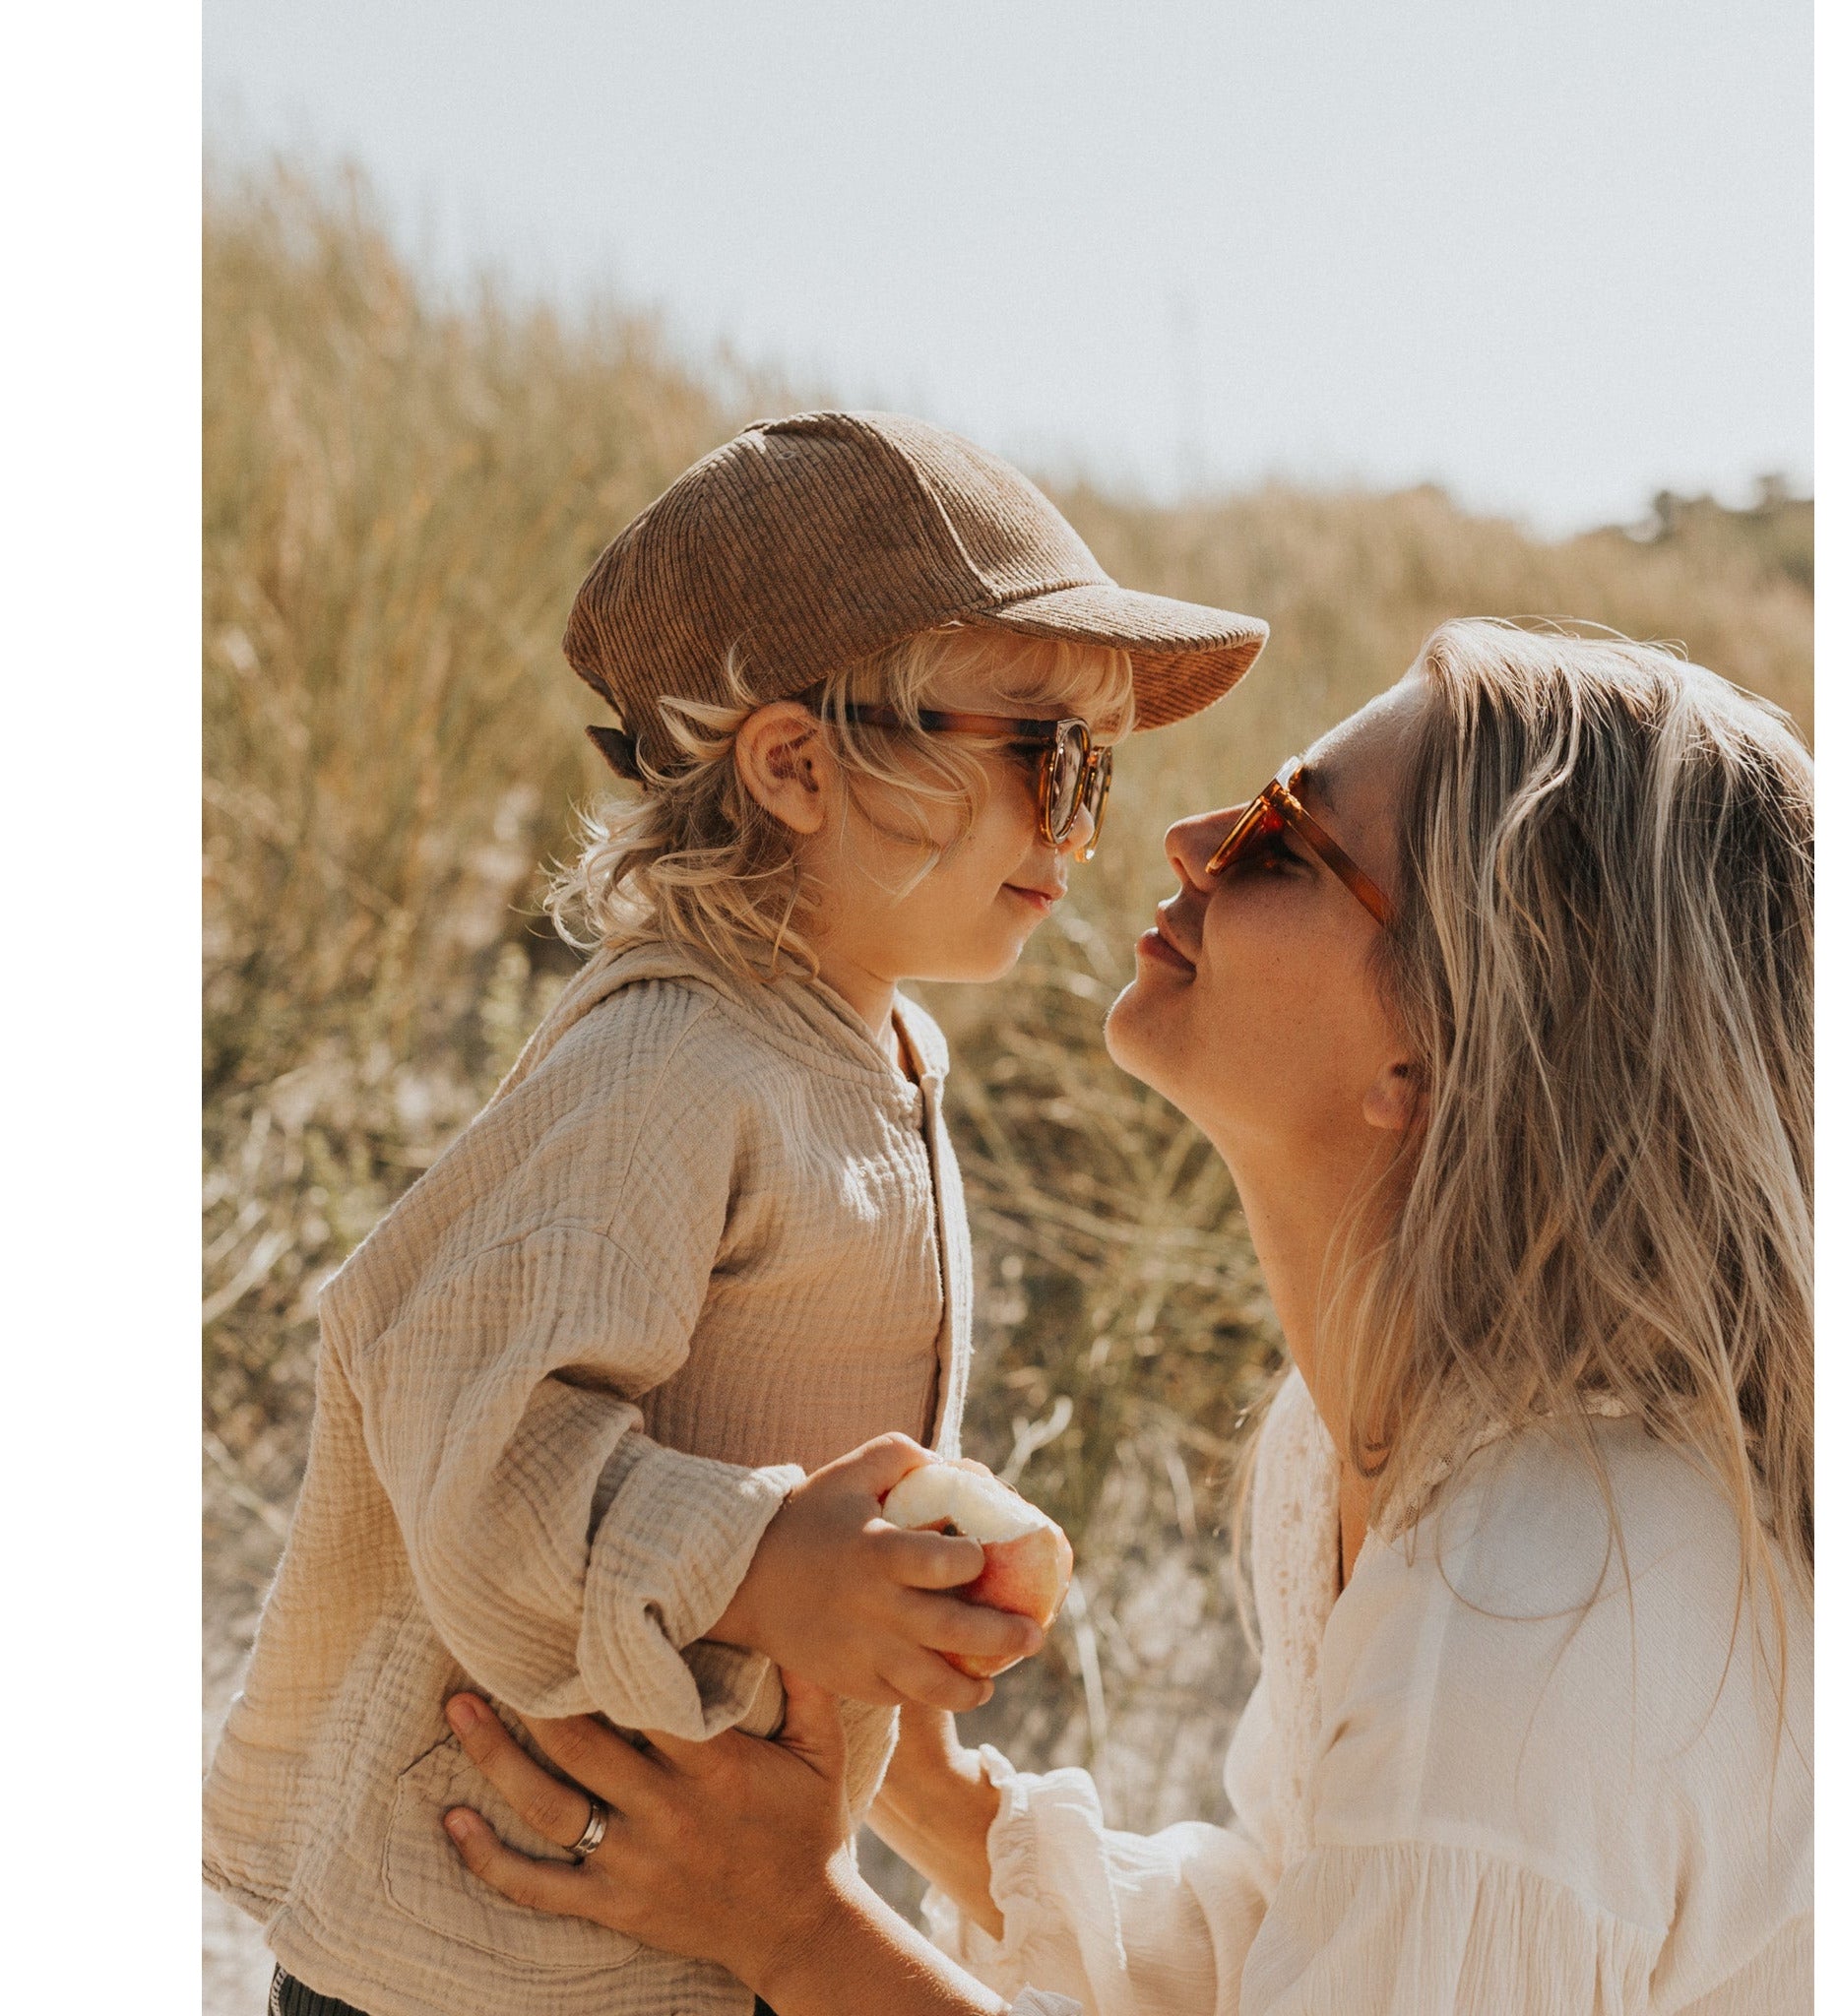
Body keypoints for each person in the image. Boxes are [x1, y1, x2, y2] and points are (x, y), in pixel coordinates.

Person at [439, 619, 1815, 2015]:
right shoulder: (1368, 1445)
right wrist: (922, 1789)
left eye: (1286, 836)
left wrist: (797, 1931)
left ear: (1437, 1040)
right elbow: (1304, 1937)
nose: (1193, 836)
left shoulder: (1530, 1613)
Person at [201, 410, 1270, 2016]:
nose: (1075, 825)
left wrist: (885, 1596)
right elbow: (467, 1429)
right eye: (1041, 756)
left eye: (1097, 771)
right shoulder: (671, 1061)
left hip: (668, 1929)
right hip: (484, 1953)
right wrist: (762, 1562)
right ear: (794, 765)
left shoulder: (871, 1045)